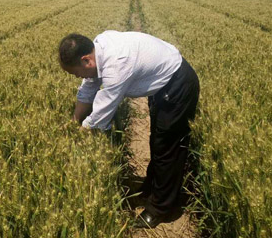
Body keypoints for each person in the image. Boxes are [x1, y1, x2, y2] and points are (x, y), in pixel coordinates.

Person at [58, 31, 199, 229]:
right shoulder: (98, 48)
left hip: (177, 84)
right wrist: (74, 121)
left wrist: (73, 140)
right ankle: (152, 188)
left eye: (75, 72)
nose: (77, 77)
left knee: (167, 147)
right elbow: (88, 88)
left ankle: (161, 209)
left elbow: (100, 116)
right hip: (163, 83)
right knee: (156, 141)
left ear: (86, 60)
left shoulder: (117, 65)